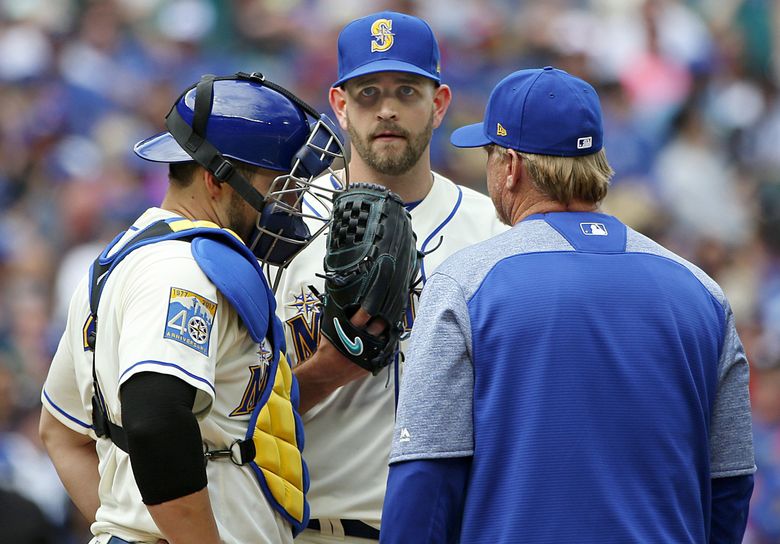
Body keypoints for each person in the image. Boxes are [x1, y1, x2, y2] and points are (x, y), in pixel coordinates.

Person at [381, 67, 756, 543]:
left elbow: (426, 481)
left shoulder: (467, 282)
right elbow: (730, 484)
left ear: (511, 166)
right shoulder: (702, 292)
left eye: (491, 155)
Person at [38, 72, 350, 544]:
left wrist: (126, 528)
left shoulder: (127, 255)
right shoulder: (181, 268)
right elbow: (156, 420)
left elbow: (60, 434)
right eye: (279, 184)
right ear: (215, 178)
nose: (292, 202)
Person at [274, 10, 506, 543]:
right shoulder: (283, 226)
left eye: (406, 91)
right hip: (314, 527)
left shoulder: (492, 229)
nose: (387, 110)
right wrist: (326, 371)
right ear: (338, 104)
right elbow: (235, 403)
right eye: (367, 93)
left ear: (439, 103)